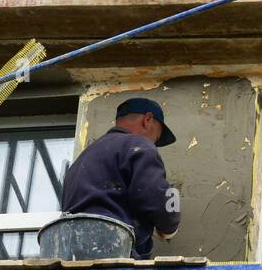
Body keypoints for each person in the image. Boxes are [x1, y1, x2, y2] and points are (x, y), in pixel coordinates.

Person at [59, 97, 180, 258]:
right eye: (157, 138)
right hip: (114, 248)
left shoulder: (83, 158)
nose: (154, 143)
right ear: (148, 120)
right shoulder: (138, 145)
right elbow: (154, 193)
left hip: (72, 253)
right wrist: (169, 226)